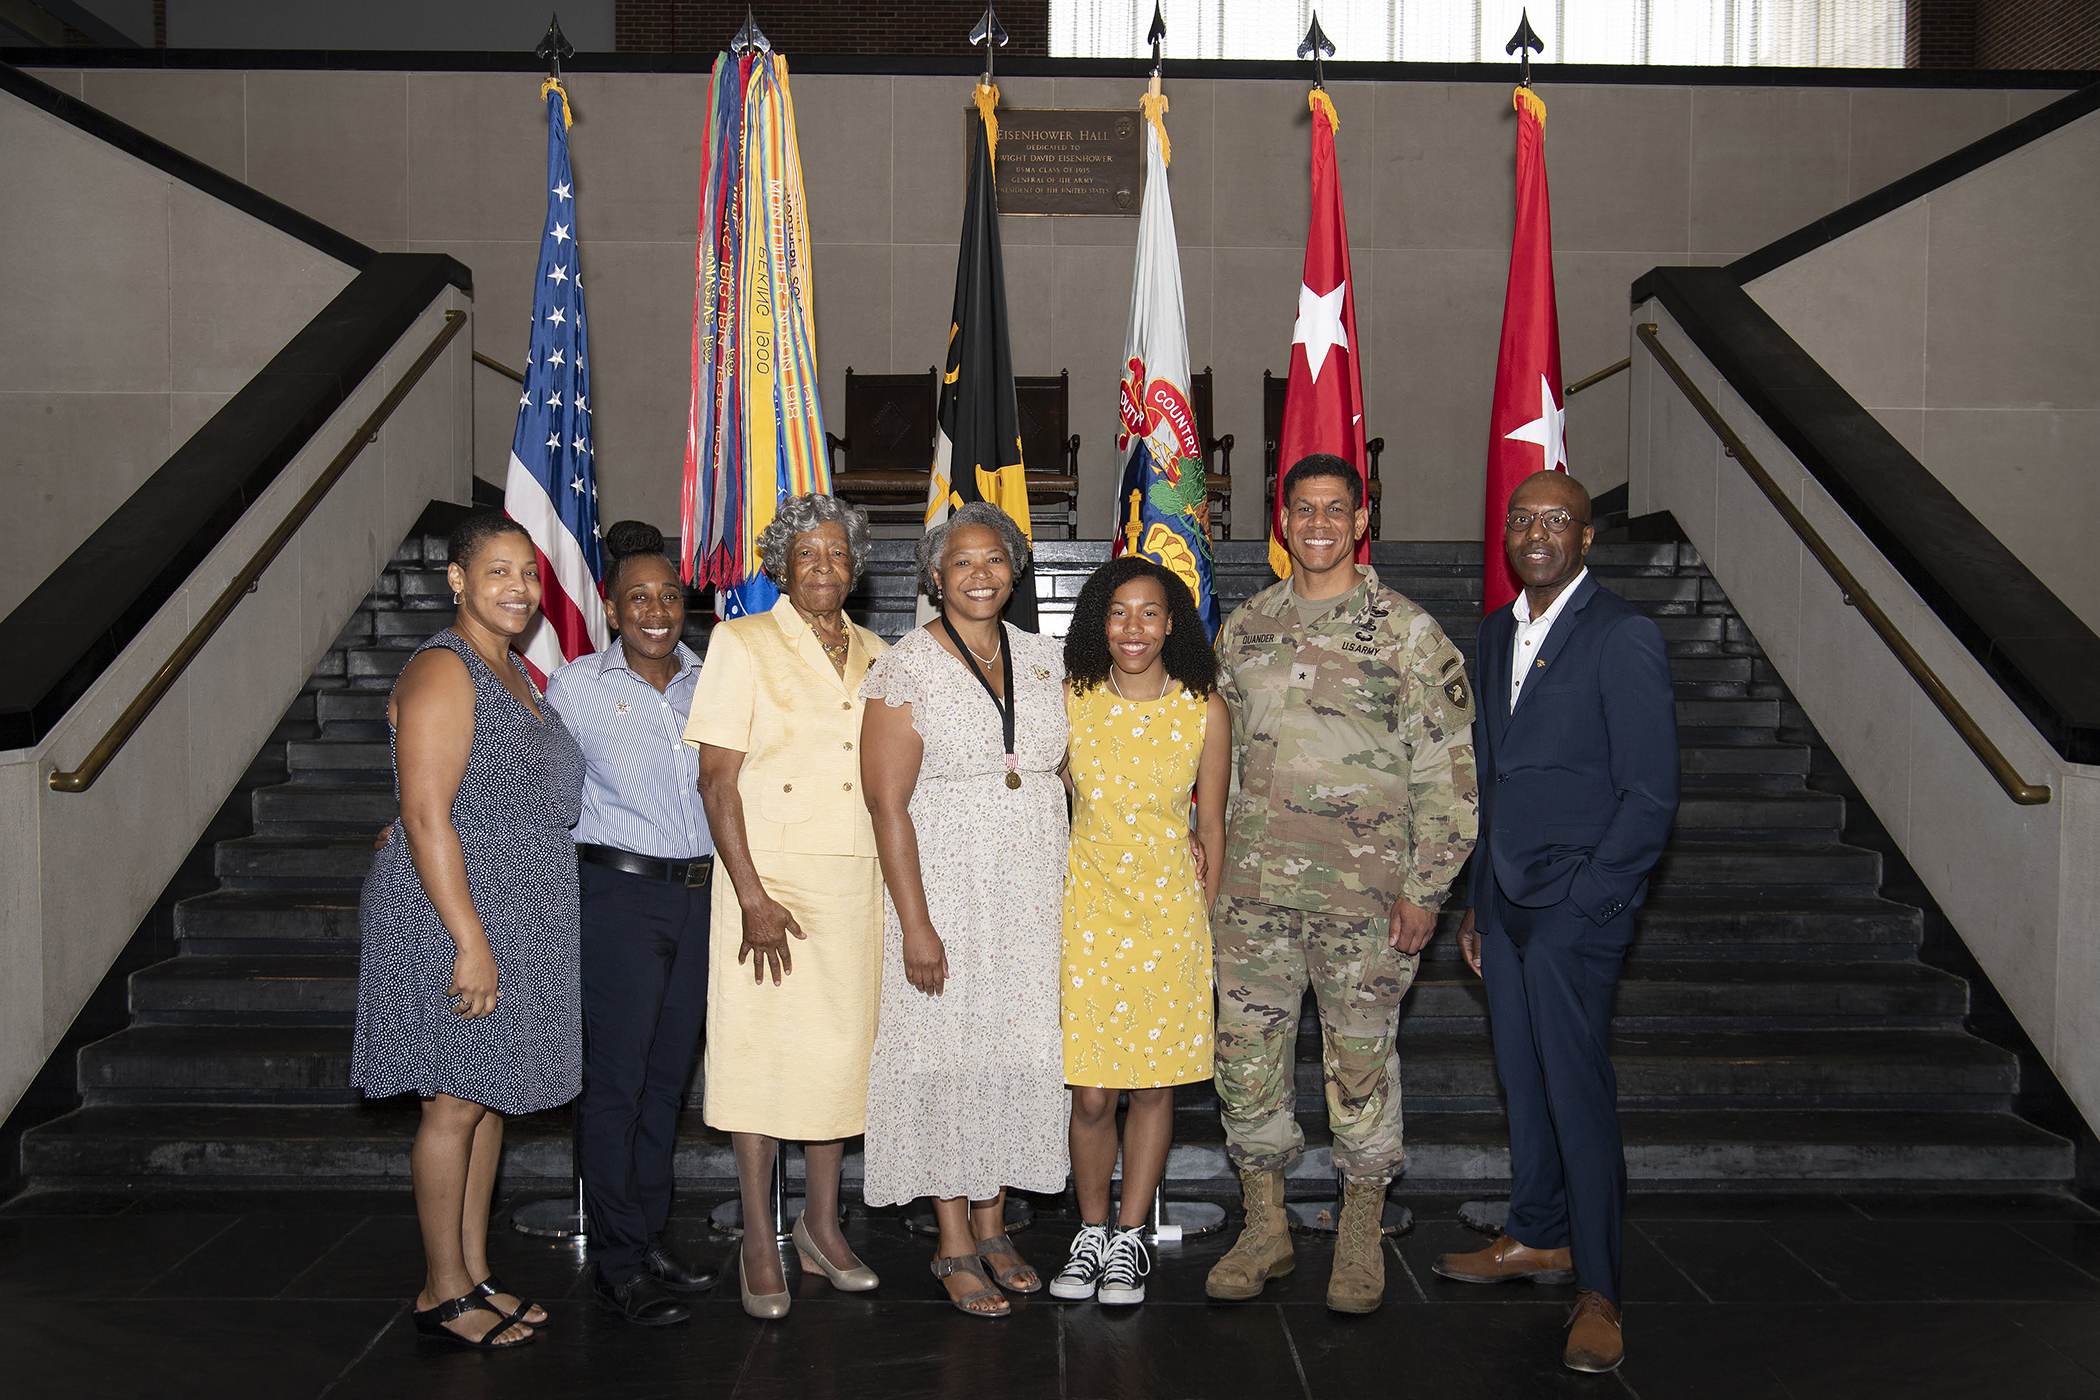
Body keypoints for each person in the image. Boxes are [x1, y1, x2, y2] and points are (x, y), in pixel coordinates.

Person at [1205, 453, 1478, 1315]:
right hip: (1251, 897)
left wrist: (1428, 888)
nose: (1318, 523)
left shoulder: (1407, 632)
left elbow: (1448, 770)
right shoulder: (1244, 628)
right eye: (1303, 509)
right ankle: (1265, 1228)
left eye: (1335, 509)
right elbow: (1212, 761)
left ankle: (1359, 1232)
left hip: (1367, 901)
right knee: (1246, 1065)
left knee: (1359, 1067)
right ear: (1282, 521)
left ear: (1361, 522)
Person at [1432, 470, 1679, 1376]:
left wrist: (1588, 901)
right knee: (1522, 1081)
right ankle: (1537, 1234)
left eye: (1558, 522)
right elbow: (1494, 779)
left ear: (1586, 538)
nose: (1538, 533)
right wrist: (1479, 903)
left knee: (1578, 1094)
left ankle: (1602, 1289)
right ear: (1506, 532)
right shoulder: (1496, 632)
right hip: (1505, 905)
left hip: (1578, 907)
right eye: (1523, 519)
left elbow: (1650, 794)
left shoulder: (1624, 636)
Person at [350, 512, 584, 1351]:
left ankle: (476, 1272)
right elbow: (424, 812)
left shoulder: (514, 671)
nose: (519, 587)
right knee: (452, 1104)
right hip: (457, 916)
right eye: (498, 572)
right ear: (457, 579)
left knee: (486, 1104)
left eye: (528, 573)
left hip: (512, 907)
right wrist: (469, 941)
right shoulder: (447, 670)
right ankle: (442, 1290)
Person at [858, 501, 1069, 1319]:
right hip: (945, 891)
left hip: (1030, 894)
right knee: (945, 1052)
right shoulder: (906, 668)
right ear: (935, 578)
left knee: (1017, 1049)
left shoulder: (1044, 659)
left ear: (1013, 572)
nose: (980, 574)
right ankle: (951, 1238)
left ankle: (994, 1223)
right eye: (962, 563)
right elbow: (886, 806)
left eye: (993, 560)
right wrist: (915, 921)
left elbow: (1074, 773)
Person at [687, 493, 889, 1320]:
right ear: (781, 566)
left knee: (840, 1060)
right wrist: (750, 893)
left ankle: (821, 1227)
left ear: (856, 567)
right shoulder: (741, 642)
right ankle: (757, 1238)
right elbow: (716, 777)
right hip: (767, 884)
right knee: (760, 1057)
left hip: (857, 883)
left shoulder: (882, 652)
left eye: (838, 555)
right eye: (808, 556)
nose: (824, 569)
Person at [542, 521, 719, 1327]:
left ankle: (647, 1238)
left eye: (670, 596)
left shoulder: (710, 679)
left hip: (700, 897)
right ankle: (616, 1260)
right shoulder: (573, 689)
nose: (656, 610)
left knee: (664, 1085)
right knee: (615, 1085)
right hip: (616, 897)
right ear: (613, 610)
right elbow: (532, 791)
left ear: (686, 605)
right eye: (638, 598)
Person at [1049, 557, 1230, 1308]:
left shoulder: (1204, 710)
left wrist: (1202, 920)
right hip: (1088, 907)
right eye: (1119, 612)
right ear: (1100, 621)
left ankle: (1127, 1241)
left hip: (1168, 917)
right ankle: (1089, 1231)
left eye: (1150, 613)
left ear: (1172, 624)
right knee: (1091, 1092)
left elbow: (1211, 825)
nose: (1134, 628)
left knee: (1154, 1086)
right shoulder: (1072, 703)